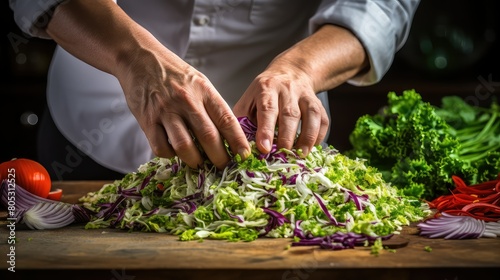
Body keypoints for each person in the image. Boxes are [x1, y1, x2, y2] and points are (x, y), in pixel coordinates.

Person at [9, 0, 420, 180]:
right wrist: (132, 57)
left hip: (274, 148)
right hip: (92, 126)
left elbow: (381, 5)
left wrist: (302, 67)